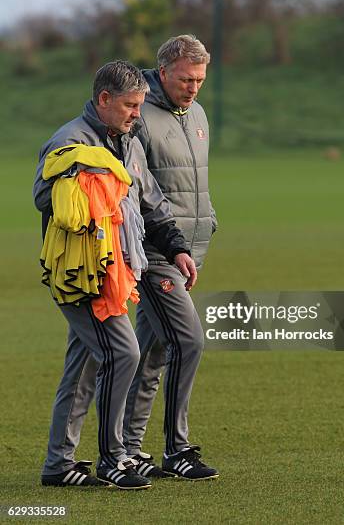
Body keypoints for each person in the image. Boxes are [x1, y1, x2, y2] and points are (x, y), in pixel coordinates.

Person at [33, 60, 196, 490]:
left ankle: (58, 464)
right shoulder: (70, 141)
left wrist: (177, 248)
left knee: (85, 365)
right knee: (123, 352)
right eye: (129, 105)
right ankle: (113, 458)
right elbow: (42, 196)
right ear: (104, 99)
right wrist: (85, 182)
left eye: (140, 105)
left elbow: (151, 203)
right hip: (80, 273)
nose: (136, 114)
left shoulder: (127, 141)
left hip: (114, 272)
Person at [122, 34, 219, 480]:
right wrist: (170, 243)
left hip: (190, 250)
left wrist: (207, 220)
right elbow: (137, 188)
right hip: (157, 251)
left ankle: (129, 447)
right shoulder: (139, 114)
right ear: (163, 72)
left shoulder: (196, 112)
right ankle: (177, 450)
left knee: (153, 351)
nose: (194, 86)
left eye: (200, 78)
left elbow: (195, 182)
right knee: (188, 341)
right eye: (186, 78)